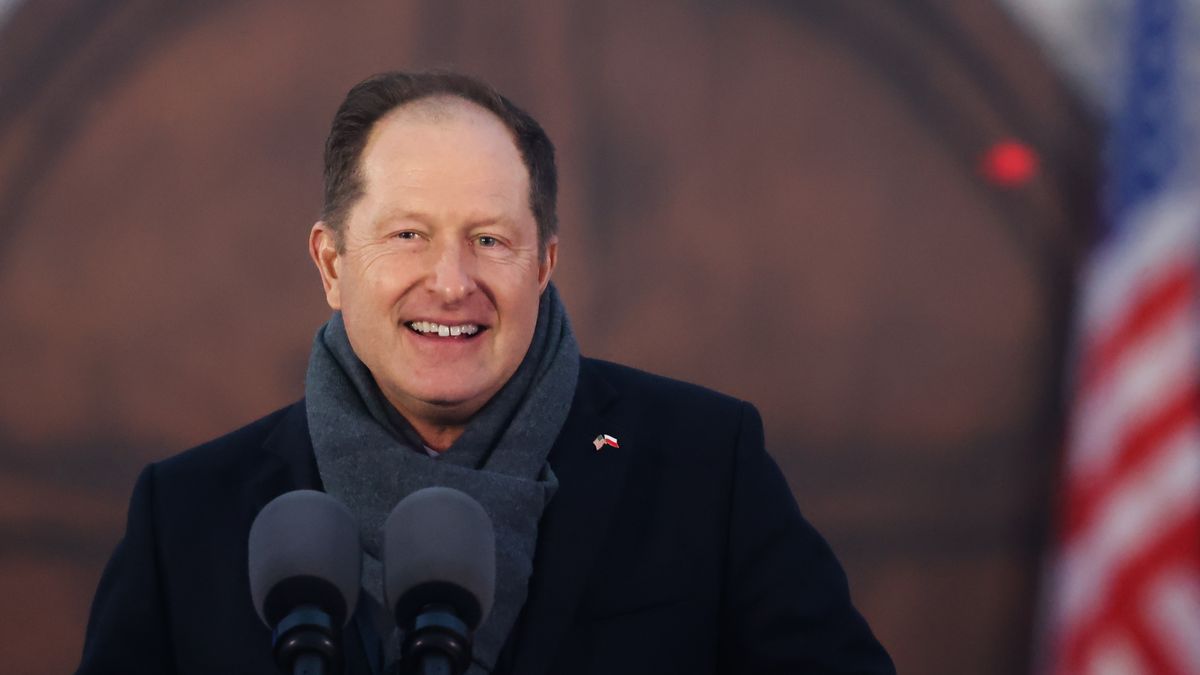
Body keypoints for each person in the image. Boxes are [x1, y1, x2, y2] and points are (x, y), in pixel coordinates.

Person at [76, 71, 895, 675]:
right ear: (331, 263)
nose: (450, 281)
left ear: (545, 264)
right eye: (407, 235)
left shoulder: (706, 466)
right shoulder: (184, 517)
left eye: (491, 240)